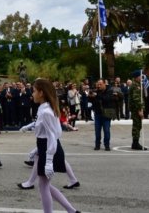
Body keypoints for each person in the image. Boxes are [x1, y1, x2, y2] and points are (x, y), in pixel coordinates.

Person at [22, 78, 80, 213]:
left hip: (50, 149)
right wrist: (36, 147)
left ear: (41, 93)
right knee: (45, 185)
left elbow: (53, 136)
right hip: (46, 147)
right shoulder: (44, 108)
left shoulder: (46, 111)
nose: (33, 94)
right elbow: (43, 130)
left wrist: (48, 161)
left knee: (43, 186)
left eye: (34, 91)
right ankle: (71, 211)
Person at [88, 78, 117, 151]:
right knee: (97, 131)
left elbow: (106, 99)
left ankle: (107, 145)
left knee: (106, 131)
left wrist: (97, 95)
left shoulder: (109, 91)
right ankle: (97, 145)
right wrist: (90, 97)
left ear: (104, 84)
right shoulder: (96, 91)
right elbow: (92, 101)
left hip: (106, 114)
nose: (99, 86)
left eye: (100, 84)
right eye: (98, 84)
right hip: (97, 114)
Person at [129, 70, 147, 150]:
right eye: (140, 76)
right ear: (137, 77)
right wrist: (139, 110)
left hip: (137, 109)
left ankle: (135, 143)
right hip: (136, 109)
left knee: (138, 126)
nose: (141, 77)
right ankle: (135, 144)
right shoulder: (135, 85)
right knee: (136, 126)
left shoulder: (138, 84)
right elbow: (136, 99)